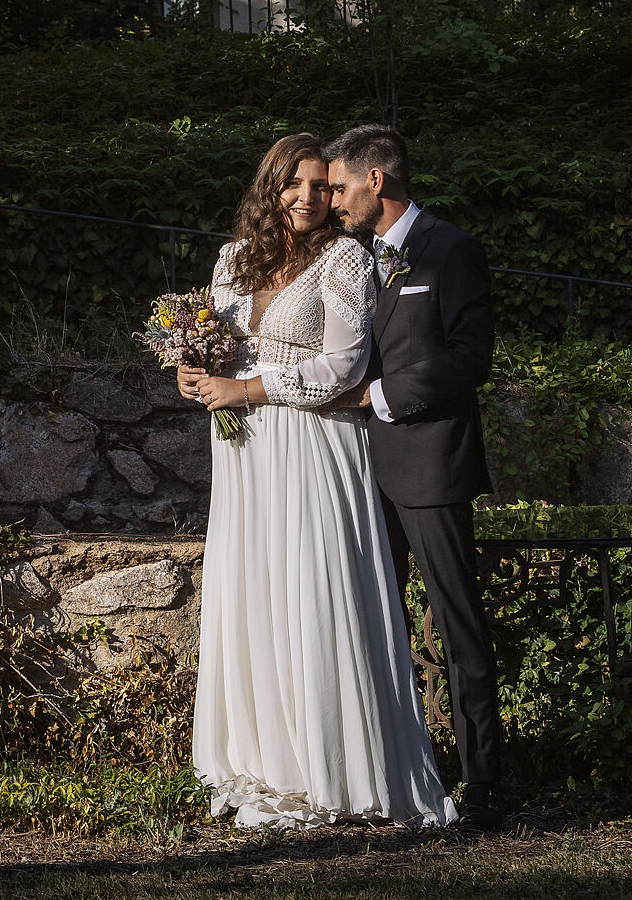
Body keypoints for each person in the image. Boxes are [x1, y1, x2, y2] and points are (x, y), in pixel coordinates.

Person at [179, 133, 458, 830]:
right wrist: (192, 372)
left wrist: (248, 387)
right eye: (293, 183)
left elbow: (343, 365)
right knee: (256, 592)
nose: (308, 197)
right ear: (270, 186)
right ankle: (266, 762)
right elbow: (219, 342)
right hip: (244, 451)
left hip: (314, 445)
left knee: (313, 591)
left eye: (319, 185)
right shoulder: (232, 259)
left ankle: (333, 767)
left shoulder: (343, 258)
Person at [321, 123, 505, 832]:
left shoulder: (452, 249)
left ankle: (483, 779)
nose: (333, 199)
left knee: (458, 628)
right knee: (376, 625)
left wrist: (384, 395)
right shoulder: (356, 259)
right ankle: (397, 772)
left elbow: (471, 356)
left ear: (377, 181)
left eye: (340, 186)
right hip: (364, 471)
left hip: (432, 465)